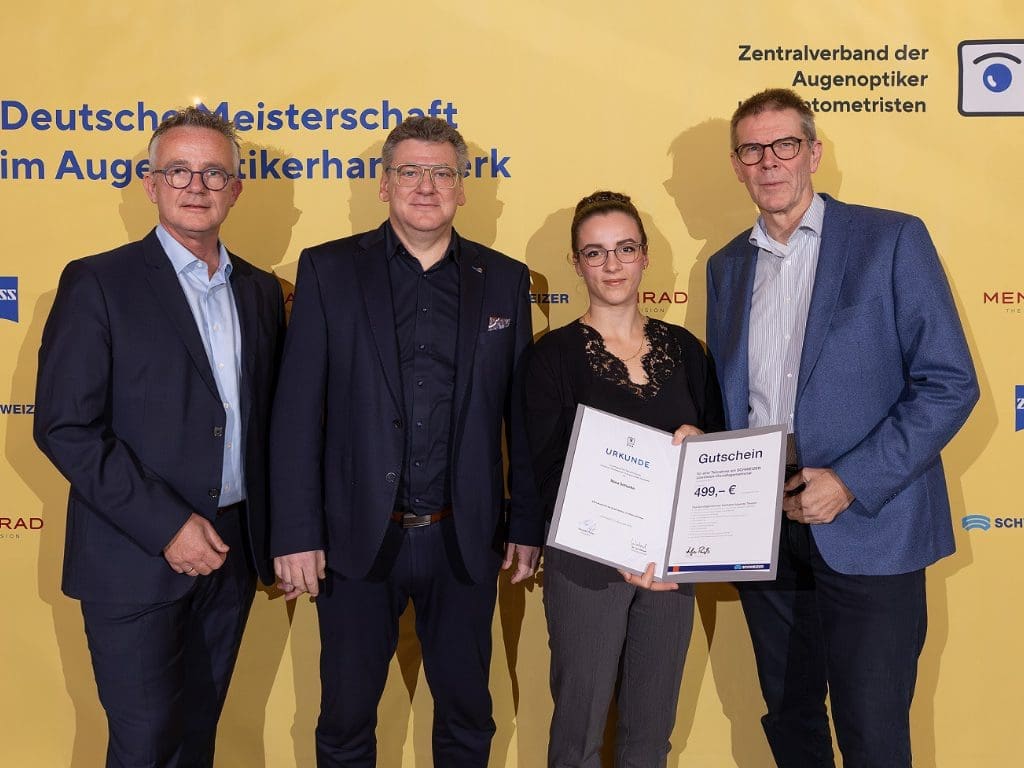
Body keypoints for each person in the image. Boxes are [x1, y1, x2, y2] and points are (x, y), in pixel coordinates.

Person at [706, 88, 978, 768]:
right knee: (789, 719)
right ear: (736, 165)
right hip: (764, 526)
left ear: (814, 153)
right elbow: (734, 401)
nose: (769, 162)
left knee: (872, 732)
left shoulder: (891, 239)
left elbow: (949, 382)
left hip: (869, 526)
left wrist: (850, 481)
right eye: (751, 150)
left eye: (785, 145)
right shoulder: (726, 266)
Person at [269, 116, 543, 767]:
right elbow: (297, 412)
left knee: (468, 720)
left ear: (463, 187)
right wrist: (296, 532)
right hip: (354, 541)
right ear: (384, 184)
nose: (426, 186)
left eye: (442, 172)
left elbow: (522, 417)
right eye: (410, 171)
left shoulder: (505, 279)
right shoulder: (328, 270)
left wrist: (527, 522)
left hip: (464, 539)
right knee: (344, 722)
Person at [33, 106, 285, 767]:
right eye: (178, 170)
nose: (196, 186)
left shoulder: (260, 291)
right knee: (145, 748)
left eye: (213, 173)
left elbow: (268, 427)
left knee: (198, 741)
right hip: (133, 558)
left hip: (231, 554)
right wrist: (169, 525)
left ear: (235, 189)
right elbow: (65, 426)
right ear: (150, 184)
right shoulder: (98, 282)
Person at [525, 191, 723, 767]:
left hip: (670, 567)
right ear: (577, 263)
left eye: (625, 249)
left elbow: (719, 451)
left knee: (650, 736)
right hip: (586, 565)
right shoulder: (552, 356)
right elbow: (541, 472)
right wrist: (614, 544)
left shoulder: (686, 351)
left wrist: (702, 445)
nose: (612, 264)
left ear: (645, 256)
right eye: (595, 252)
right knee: (579, 734)